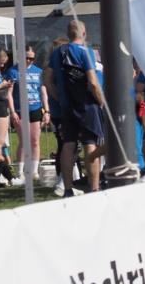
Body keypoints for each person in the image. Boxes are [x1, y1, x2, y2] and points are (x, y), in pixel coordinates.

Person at [45, 19, 106, 196]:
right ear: (84, 34)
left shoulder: (58, 52)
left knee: (68, 144)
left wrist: (58, 97)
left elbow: (47, 79)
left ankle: (67, 188)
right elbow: (93, 83)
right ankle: (94, 188)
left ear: (68, 34)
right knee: (90, 143)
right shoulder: (86, 52)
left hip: (66, 107)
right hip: (87, 106)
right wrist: (101, 101)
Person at [6, 45, 50, 182]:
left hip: (35, 108)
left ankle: (34, 170)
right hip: (20, 110)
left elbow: (43, 92)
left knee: (35, 141)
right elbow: (9, 93)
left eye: (32, 58)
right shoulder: (13, 71)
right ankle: (20, 171)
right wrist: (12, 111)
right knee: (24, 141)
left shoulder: (38, 72)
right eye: (27, 58)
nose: (29, 60)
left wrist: (46, 111)